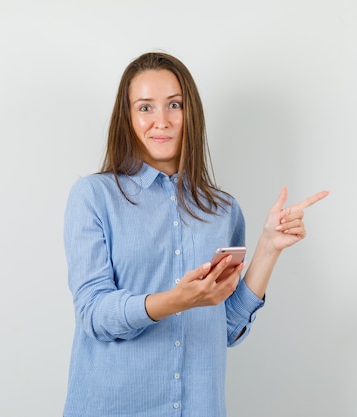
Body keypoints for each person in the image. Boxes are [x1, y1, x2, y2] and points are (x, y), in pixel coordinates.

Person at [62, 51, 328, 417]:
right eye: (145, 108)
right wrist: (176, 300)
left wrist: (269, 246)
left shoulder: (223, 210)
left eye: (174, 104)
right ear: (126, 117)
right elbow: (93, 313)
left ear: (191, 114)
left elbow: (226, 328)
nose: (162, 121)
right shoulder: (93, 197)